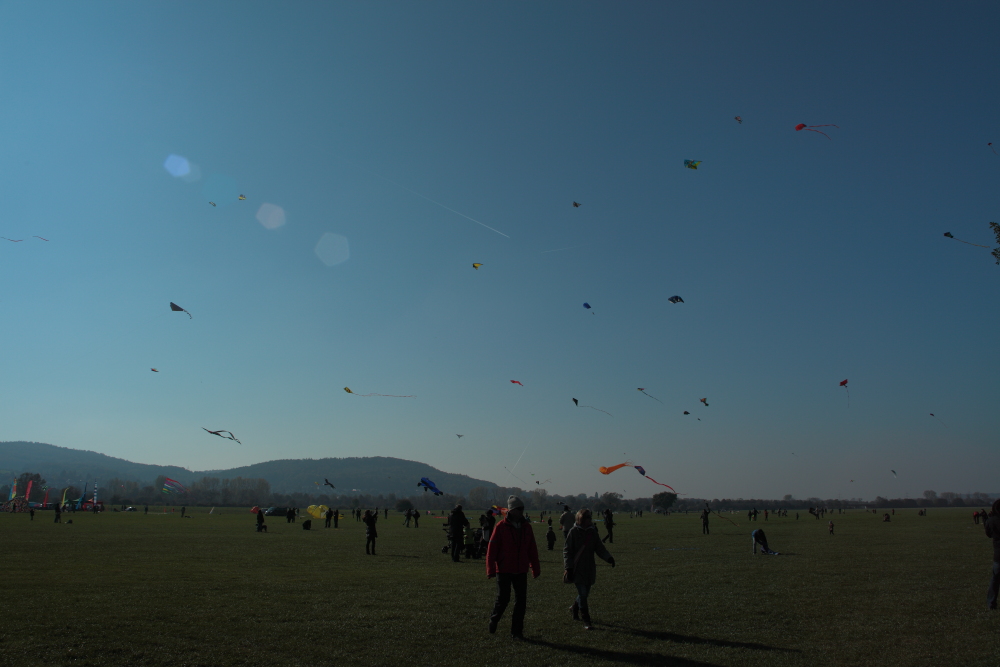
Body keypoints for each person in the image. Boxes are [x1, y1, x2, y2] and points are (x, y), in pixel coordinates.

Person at [486, 496, 540, 639]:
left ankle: (516, 631)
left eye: (522, 509)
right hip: (504, 569)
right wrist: (490, 569)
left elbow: (532, 549)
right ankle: (494, 618)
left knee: (521, 602)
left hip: (521, 569)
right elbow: (491, 550)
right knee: (503, 599)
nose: (521, 512)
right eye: (518, 509)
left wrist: (535, 567)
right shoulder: (500, 527)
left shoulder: (527, 527)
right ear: (511, 510)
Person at [564, 508, 615, 629]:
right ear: (581, 518)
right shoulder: (573, 532)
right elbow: (567, 551)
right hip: (577, 569)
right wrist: (568, 567)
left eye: (590, 517)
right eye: (588, 517)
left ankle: (575, 608)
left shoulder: (592, 532)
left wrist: (609, 558)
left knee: (584, 594)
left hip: (589, 568)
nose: (590, 520)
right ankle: (587, 621)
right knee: (582, 594)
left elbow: (599, 548)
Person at [985, 499, 1000, 610]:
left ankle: (991, 603)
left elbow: (988, 534)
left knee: (995, 580)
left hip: (998, 556)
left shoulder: (992, 521)